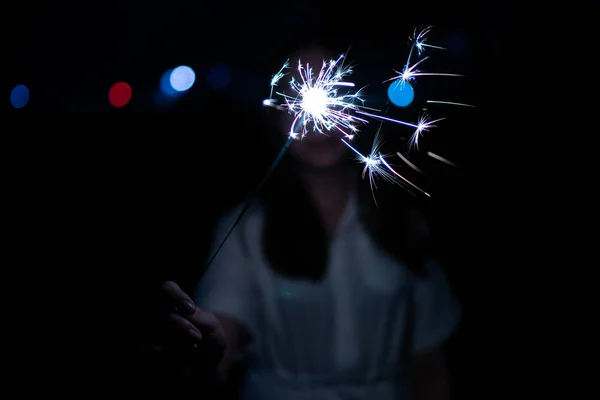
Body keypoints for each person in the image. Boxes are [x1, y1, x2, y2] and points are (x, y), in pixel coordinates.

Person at [161, 48, 461, 400]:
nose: (320, 117)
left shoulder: (404, 219)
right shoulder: (246, 228)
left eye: (335, 93)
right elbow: (219, 347)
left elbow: (430, 365)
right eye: (298, 94)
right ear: (276, 114)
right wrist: (199, 351)